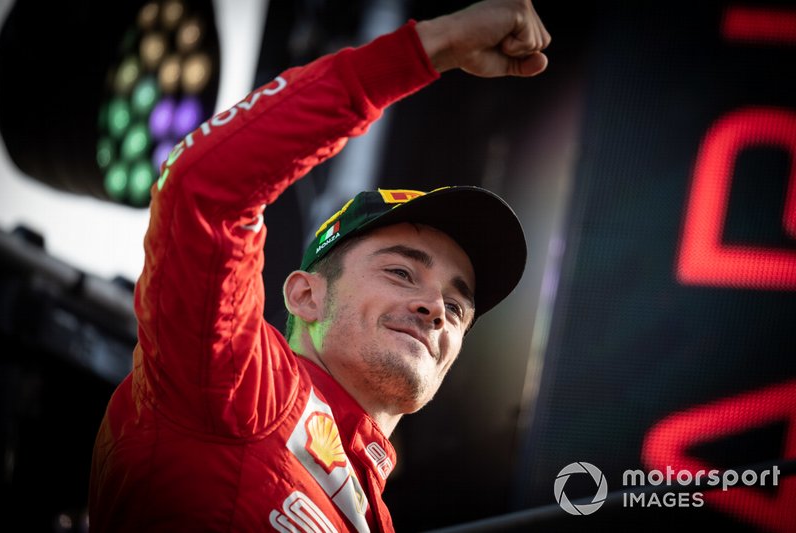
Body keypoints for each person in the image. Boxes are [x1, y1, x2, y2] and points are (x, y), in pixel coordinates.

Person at [88, 0, 551, 531]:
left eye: (457, 305)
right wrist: (429, 48)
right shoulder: (237, 382)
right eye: (401, 272)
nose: (435, 309)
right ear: (306, 295)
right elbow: (203, 190)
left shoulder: (375, 518)